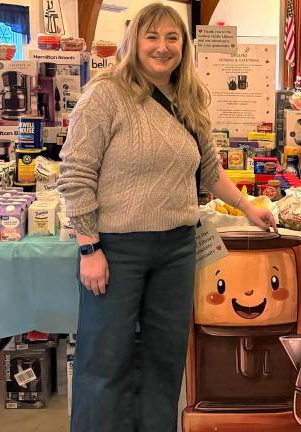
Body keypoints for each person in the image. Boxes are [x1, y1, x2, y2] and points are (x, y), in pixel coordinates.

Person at [56, 4, 276, 431]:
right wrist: (89, 246)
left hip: (177, 246)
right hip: (118, 249)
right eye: (152, 37)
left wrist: (250, 207)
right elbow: (76, 172)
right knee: (106, 358)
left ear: (184, 46)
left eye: (172, 38)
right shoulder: (105, 95)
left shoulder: (190, 97)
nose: (162, 47)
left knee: (164, 357)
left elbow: (209, 169)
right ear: (134, 42)